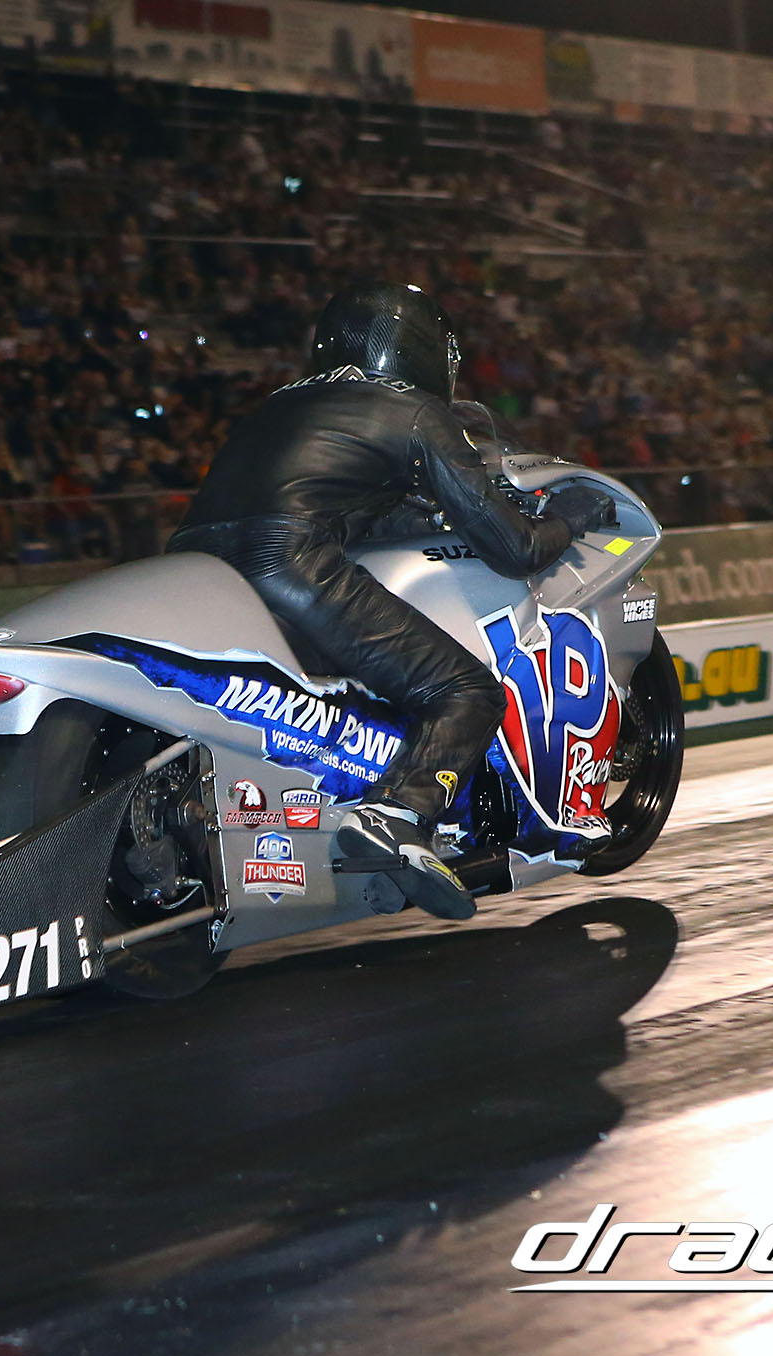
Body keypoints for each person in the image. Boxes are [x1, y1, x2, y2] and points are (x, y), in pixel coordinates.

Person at [166, 282, 617, 920]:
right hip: (288, 561)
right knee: (467, 690)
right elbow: (517, 549)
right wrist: (571, 516)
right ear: (423, 349)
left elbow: (344, 505)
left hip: (194, 565)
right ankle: (398, 816)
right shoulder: (414, 409)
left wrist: (424, 514)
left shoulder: (278, 404)